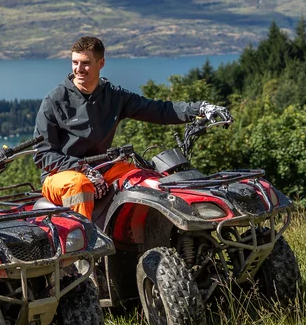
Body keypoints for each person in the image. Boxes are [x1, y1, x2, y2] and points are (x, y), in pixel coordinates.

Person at [34, 36, 231, 218]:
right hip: (60, 176)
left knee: (145, 179)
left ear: (101, 63)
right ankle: (84, 242)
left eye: (85, 63)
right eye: (75, 62)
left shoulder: (114, 96)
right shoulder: (55, 100)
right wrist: (80, 168)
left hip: (102, 169)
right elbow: (42, 154)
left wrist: (201, 108)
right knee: (80, 185)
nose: (79, 69)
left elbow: (159, 110)